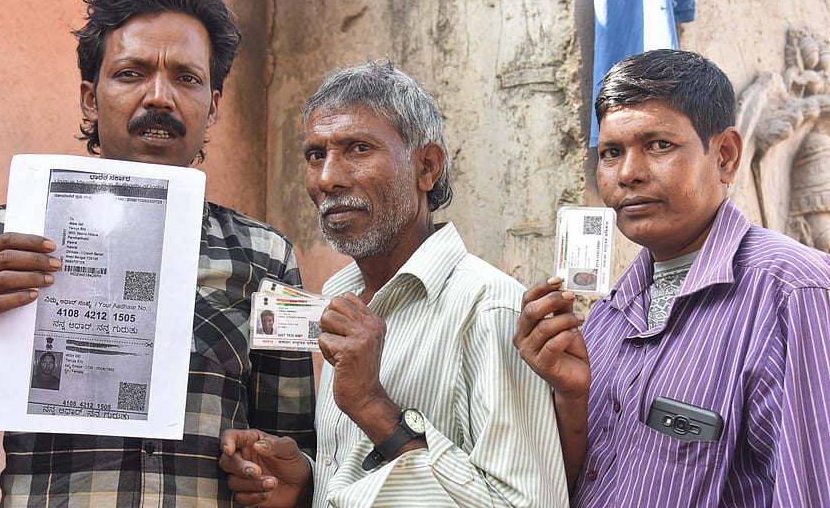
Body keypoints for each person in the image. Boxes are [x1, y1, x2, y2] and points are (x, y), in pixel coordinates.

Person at [0, 0, 316, 505]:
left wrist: (269, 466)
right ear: (91, 97)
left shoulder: (270, 258)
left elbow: (297, 448)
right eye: (131, 73)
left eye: (187, 77)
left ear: (213, 105)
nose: (160, 96)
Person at [220, 59, 569, 507]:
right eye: (315, 155)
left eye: (358, 149)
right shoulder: (339, 299)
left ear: (427, 167)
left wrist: (373, 406)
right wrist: (307, 487)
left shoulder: (490, 308)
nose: (327, 178)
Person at [514, 49, 830, 507]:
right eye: (611, 152)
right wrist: (570, 398)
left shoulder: (797, 294)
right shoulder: (605, 316)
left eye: (659, 145)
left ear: (724, 156)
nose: (628, 174)